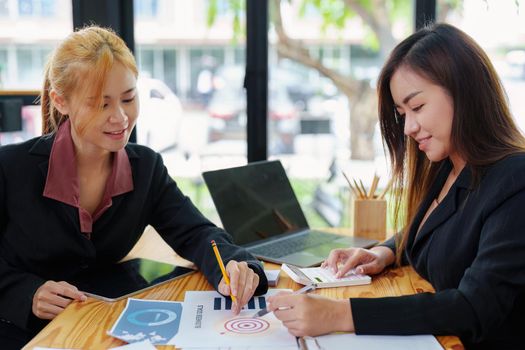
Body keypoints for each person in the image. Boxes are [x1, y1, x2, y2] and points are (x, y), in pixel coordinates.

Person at [0, 26, 267, 348]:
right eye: (101, 105)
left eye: (128, 98)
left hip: (102, 323)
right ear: (61, 101)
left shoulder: (145, 168)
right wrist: (26, 292)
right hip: (23, 331)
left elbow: (195, 233)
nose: (121, 117)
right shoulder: (11, 168)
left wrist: (235, 264)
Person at [267, 22, 525, 350]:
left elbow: (472, 307)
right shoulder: (450, 167)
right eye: (402, 113)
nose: (408, 128)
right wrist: (384, 252)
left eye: (417, 107)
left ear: (465, 91)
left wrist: (338, 315)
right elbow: (441, 226)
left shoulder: (515, 181)